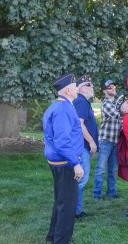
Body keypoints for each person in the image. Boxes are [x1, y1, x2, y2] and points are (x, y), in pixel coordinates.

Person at [43, 73, 84, 244]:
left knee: (61, 200)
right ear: (68, 90)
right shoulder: (63, 108)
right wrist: (76, 163)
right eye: (75, 87)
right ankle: (61, 240)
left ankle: (53, 236)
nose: (77, 89)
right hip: (66, 162)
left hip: (59, 160)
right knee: (68, 205)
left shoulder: (57, 106)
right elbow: (62, 140)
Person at [73, 75, 99, 218]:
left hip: (83, 147)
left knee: (80, 179)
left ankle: (76, 210)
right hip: (81, 146)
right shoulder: (81, 102)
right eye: (89, 85)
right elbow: (79, 123)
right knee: (81, 180)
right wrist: (91, 142)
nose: (92, 87)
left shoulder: (83, 102)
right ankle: (72, 210)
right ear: (81, 88)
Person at [93, 80, 122, 199]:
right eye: (109, 87)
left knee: (113, 170)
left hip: (115, 141)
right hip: (105, 141)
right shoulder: (106, 104)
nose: (113, 89)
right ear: (105, 91)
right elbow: (118, 115)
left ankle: (112, 192)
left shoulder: (115, 104)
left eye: (113, 86)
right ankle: (96, 194)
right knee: (100, 169)